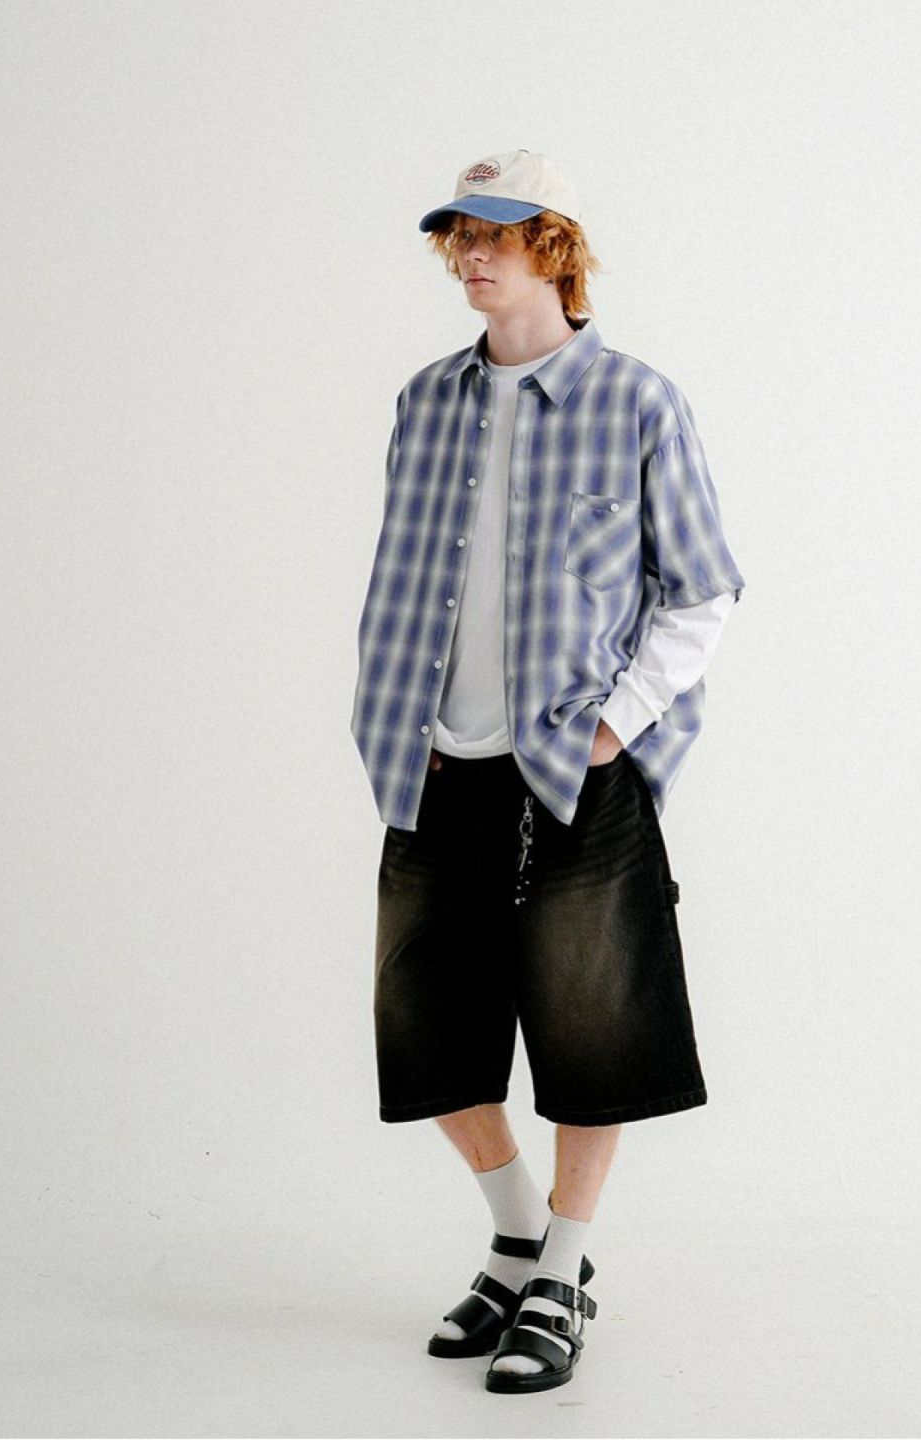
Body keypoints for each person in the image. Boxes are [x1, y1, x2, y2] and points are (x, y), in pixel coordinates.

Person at [350, 149, 746, 1394]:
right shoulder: (426, 399)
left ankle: (563, 1269)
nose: (474, 254)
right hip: (434, 761)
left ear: (556, 249)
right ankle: (523, 1238)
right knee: (427, 1037)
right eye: (461, 235)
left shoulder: (637, 401)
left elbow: (704, 590)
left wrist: (616, 723)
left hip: (577, 771)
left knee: (592, 1032)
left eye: (501, 234)